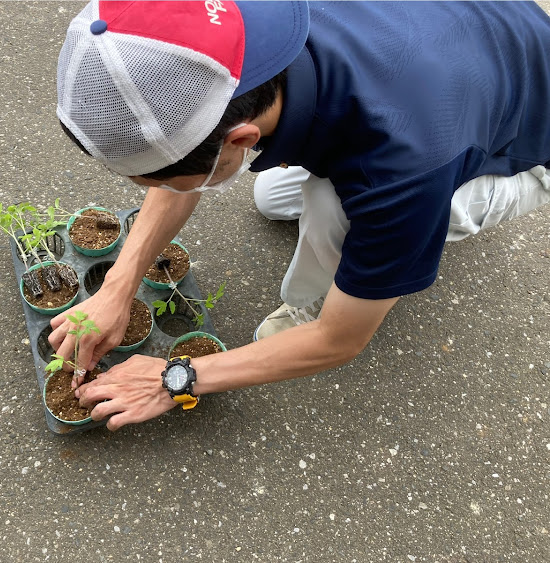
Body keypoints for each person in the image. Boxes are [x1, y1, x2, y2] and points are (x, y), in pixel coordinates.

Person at [49, 1, 550, 431]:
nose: (157, 190)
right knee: (273, 197)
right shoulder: (221, 28)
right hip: (456, 42)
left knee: (336, 207)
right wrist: (117, 287)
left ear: (240, 139)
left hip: (522, 144)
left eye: (161, 179)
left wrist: (173, 377)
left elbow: (340, 341)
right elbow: (187, 147)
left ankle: (308, 304)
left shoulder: (400, 171)